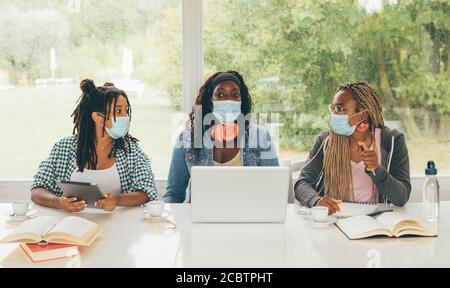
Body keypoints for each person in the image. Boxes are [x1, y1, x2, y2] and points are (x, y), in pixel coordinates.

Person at [31, 79, 157, 212]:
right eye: (119, 111)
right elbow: (37, 189)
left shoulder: (130, 150)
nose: (125, 116)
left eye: (126, 110)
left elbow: (147, 190)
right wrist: (58, 202)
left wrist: (117, 200)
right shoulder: (64, 148)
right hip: (72, 224)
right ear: (98, 117)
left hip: (117, 224)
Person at [163, 71, 279, 203]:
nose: (228, 100)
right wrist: (162, 216)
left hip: (248, 217)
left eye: (235, 94)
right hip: (201, 219)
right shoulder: (187, 139)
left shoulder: (260, 137)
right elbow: (173, 193)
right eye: (221, 94)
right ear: (210, 101)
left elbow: (274, 189)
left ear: (241, 102)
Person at [295, 81, 411, 214]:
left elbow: (402, 198)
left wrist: (376, 170)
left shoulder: (392, 140)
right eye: (333, 109)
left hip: (376, 221)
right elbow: (301, 184)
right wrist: (316, 201)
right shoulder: (325, 140)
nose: (334, 114)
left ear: (362, 114)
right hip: (334, 220)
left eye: (340, 109)